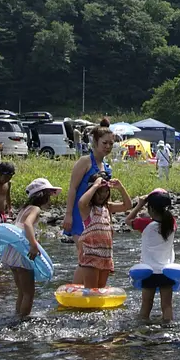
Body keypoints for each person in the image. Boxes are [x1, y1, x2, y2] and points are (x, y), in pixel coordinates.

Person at [3, 177, 61, 320]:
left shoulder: (25, 208)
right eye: (49, 195)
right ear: (43, 195)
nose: (50, 199)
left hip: (12, 251)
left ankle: (17, 317)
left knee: (22, 292)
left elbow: (21, 227)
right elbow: (28, 224)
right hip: (24, 253)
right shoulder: (35, 209)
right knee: (29, 293)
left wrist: (33, 239)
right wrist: (34, 244)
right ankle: (23, 322)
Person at [64, 121, 116, 282]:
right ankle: (76, 293)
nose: (108, 146)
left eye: (111, 144)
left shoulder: (107, 167)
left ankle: (88, 293)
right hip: (80, 215)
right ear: (95, 142)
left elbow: (106, 196)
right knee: (84, 254)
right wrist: (68, 215)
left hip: (97, 218)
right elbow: (72, 188)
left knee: (92, 256)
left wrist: (109, 221)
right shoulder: (85, 162)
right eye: (104, 143)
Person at [126, 189, 179, 325]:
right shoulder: (172, 222)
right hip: (166, 271)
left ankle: (143, 328)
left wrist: (139, 205)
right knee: (167, 305)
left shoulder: (145, 224)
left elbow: (128, 220)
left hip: (148, 271)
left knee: (146, 304)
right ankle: (168, 327)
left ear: (150, 209)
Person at [75, 175, 131, 288]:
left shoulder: (108, 207)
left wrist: (121, 188)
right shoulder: (88, 209)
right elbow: (81, 202)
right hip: (91, 255)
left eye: (106, 191)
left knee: (100, 289)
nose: (103, 195)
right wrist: (95, 185)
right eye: (99, 192)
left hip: (105, 256)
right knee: (91, 291)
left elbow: (128, 205)